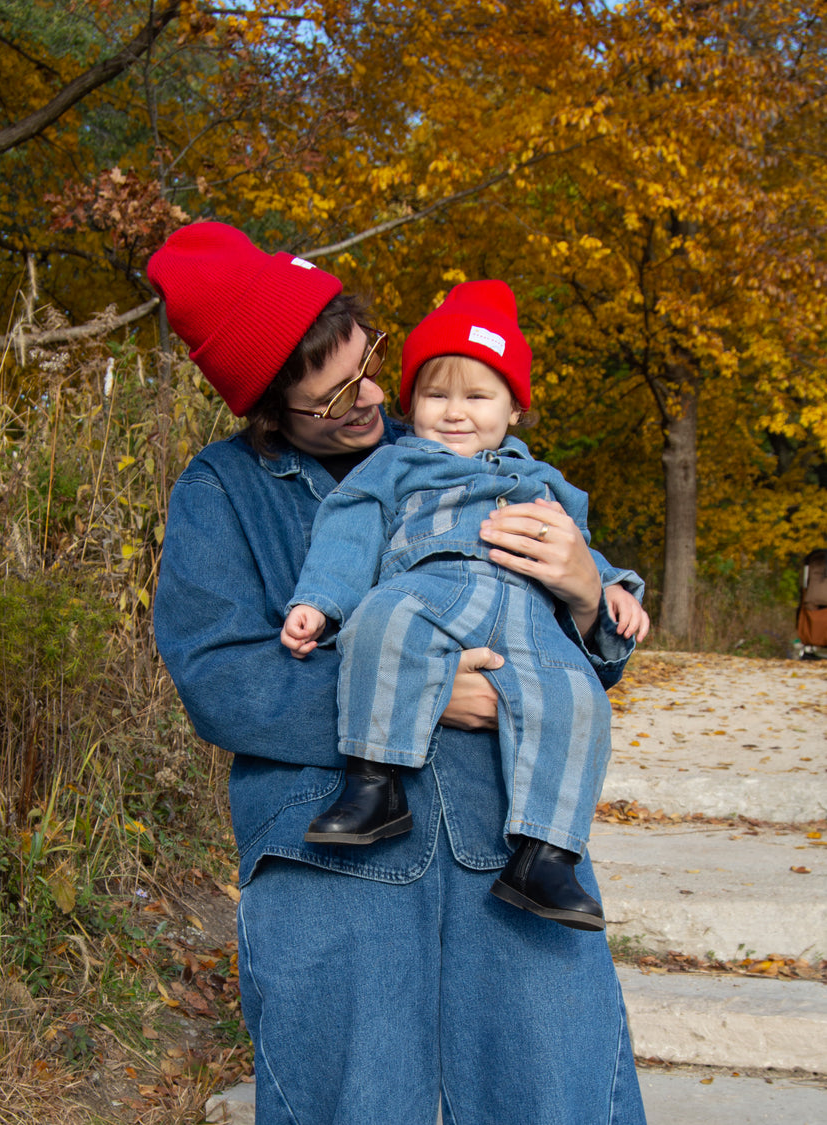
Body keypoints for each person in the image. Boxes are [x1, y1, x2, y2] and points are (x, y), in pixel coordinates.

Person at [149, 220, 649, 1125]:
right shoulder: (223, 492)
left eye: (371, 358)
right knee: (357, 1101)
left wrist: (583, 593)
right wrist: (417, 698)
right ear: (270, 410)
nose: (373, 393)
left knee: (554, 1089)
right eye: (334, 392)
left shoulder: (469, 458)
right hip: (330, 842)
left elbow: (560, 672)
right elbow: (220, 675)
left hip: (508, 838)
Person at [280, 280, 645, 931]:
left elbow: (580, 552)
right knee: (380, 625)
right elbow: (349, 531)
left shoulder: (545, 482)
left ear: (515, 409)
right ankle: (375, 784)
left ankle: (546, 852)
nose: (455, 412)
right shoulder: (396, 464)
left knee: (576, 698)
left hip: (530, 618)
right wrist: (320, 601)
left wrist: (610, 588)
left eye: (477, 396)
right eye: (435, 393)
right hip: (430, 590)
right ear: (410, 400)